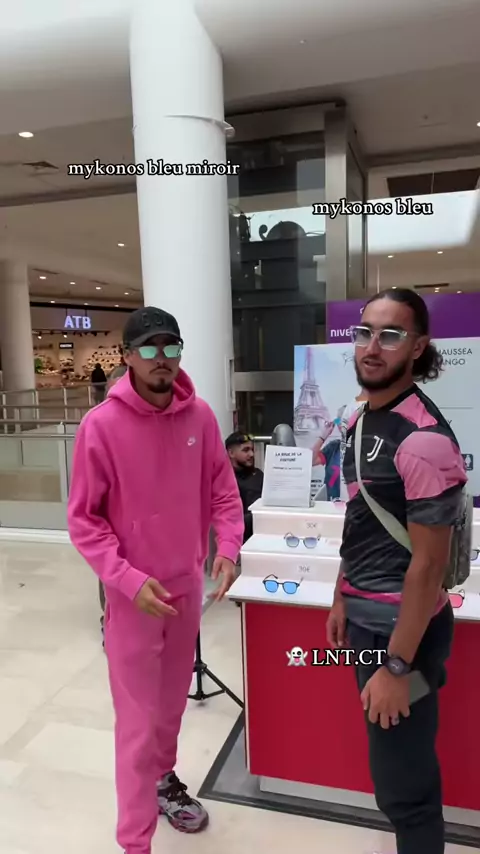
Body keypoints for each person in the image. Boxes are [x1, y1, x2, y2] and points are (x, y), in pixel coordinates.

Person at [68, 306, 244, 854]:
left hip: (185, 592)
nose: (161, 358)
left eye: (171, 346)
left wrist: (228, 546)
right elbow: (84, 521)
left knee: (169, 711)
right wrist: (124, 578)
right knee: (137, 726)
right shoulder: (101, 426)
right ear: (127, 356)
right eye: (148, 347)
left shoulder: (201, 418)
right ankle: (135, 842)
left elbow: (223, 491)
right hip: (134, 600)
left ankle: (163, 784)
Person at [326, 288, 466, 854]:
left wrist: (396, 665)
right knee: (393, 778)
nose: (372, 346)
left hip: (403, 636)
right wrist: (341, 595)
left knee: (406, 790)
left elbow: (428, 567)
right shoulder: (361, 418)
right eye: (364, 332)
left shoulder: (423, 440)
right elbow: (360, 518)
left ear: (418, 346)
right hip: (367, 623)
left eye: (390, 335)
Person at [225, 432, 263, 541]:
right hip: (235, 540)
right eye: (246, 450)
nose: (251, 454)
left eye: (252, 450)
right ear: (231, 453)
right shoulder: (224, 480)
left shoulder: (258, 475)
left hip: (260, 537)